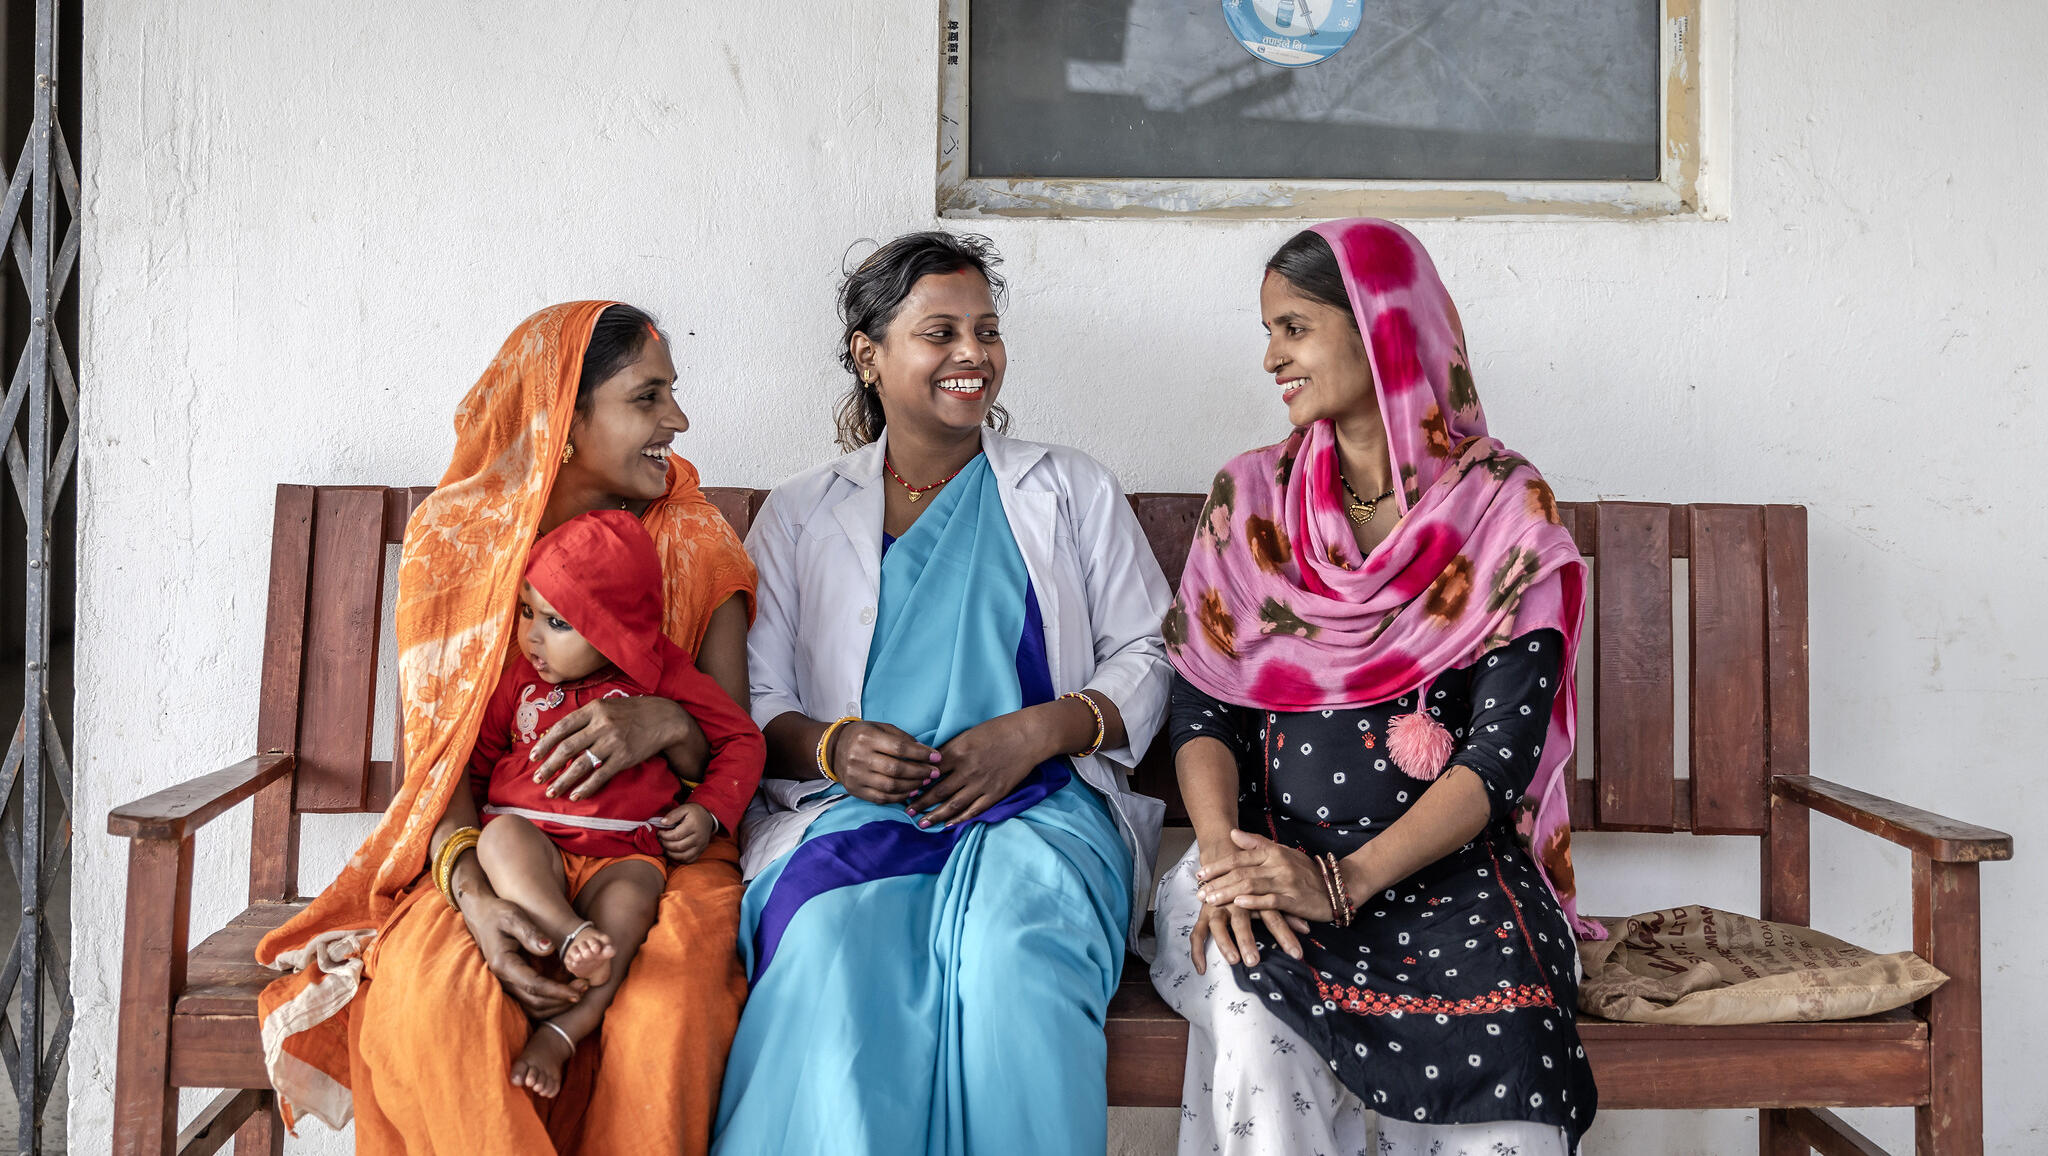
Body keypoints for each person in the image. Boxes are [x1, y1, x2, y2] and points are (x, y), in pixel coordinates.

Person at [255, 301, 758, 1155]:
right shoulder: (457, 544)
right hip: (497, 845)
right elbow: (442, 769)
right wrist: (476, 899)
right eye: (648, 398)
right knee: (435, 1001)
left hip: (657, 853)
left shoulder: (692, 537)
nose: (676, 420)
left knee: (665, 1011)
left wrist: (664, 720)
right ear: (566, 415)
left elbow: (732, 747)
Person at [711, 231, 1171, 1155]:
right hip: (853, 814)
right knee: (829, 960)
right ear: (868, 354)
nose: (974, 355)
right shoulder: (802, 513)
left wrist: (1040, 731)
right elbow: (756, 700)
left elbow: (1148, 653)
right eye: (941, 332)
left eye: (987, 331)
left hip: (1042, 807)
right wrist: (836, 747)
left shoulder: (1069, 489)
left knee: (1014, 961)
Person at [1150, 219, 1600, 1155]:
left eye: (1294, 327)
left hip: (1453, 879)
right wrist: (1231, 860)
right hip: (1263, 860)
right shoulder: (1252, 498)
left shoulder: (1503, 509)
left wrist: (1344, 882)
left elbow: (1499, 760)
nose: (1272, 356)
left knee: (1509, 1039)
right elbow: (1202, 703)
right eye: (1269, 331)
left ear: (1381, 327)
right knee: (1253, 1013)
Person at [467, 508, 765, 1097]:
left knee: (629, 912)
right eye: (527, 612)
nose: (531, 637)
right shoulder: (519, 679)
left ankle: (564, 1030)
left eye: (556, 622)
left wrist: (707, 811)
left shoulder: (660, 674)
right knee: (500, 842)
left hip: (626, 851)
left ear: (614, 628)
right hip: (533, 839)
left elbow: (741, 740)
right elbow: (475, 761)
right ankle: (568, 930)